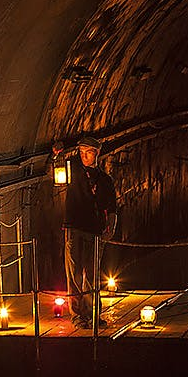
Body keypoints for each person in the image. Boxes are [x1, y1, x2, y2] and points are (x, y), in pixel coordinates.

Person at [62, 136, 117, 328]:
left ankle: (94, 313)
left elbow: (112, 207)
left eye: (89, 152)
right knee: (74, 272)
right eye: (82, 152)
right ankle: (78, 315)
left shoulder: (104, 180)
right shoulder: (73, 171)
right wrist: (55, 156)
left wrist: (111, 227)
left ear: (97, 153)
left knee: (92, 274)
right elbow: (52, 170)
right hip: (74, 227)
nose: (85, 156)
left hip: (95, 230)